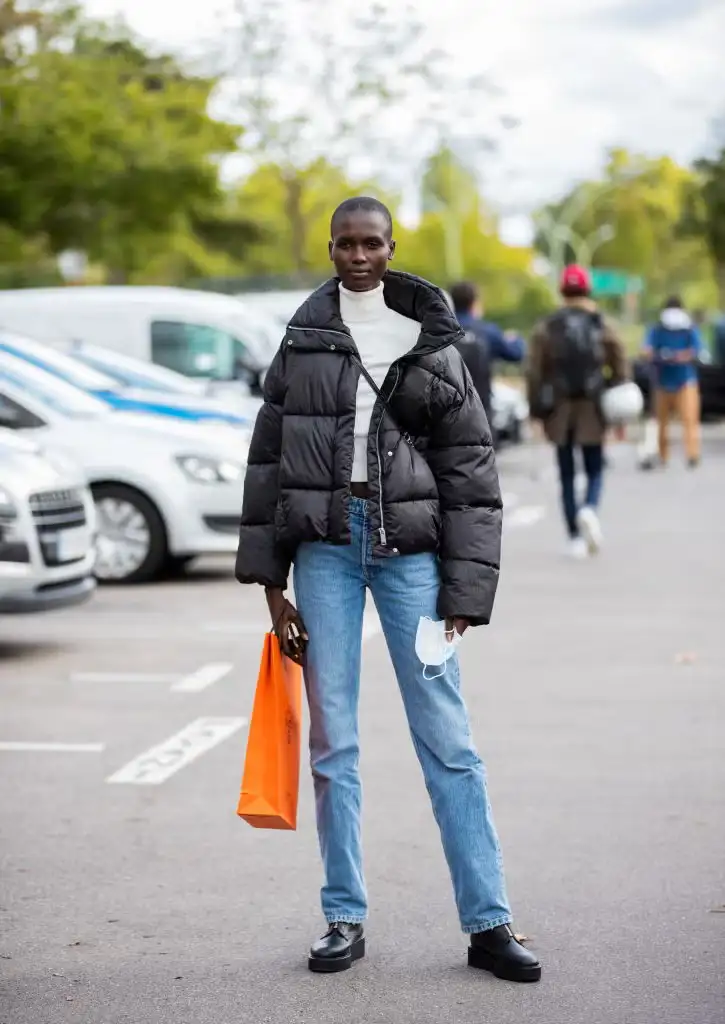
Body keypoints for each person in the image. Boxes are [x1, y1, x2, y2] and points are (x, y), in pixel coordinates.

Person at [236, 196, 541, 983]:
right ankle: (343, 916)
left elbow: (471, 470)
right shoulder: (303, 340)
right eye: (346, 244)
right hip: (325, 554)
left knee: (449, 740)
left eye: (372, 243)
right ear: (330, 248)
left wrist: (466, 591)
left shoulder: (429, 339)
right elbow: (267, 464)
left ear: (391, 246)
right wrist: (273, 588)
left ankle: (489, 922)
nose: (359, 255)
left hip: (411, 557)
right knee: (332, 743)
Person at [527, 264, 627, 558]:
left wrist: (536, 412)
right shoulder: (600, 323)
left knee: (567, 473)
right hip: (592, 407)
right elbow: (619, 358)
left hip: (559, 408)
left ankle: (574, 537)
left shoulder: (548, 326)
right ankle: (590, 508)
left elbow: (534, 370)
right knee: (595, 467)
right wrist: (618, 390)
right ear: (587, 290)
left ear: (562, 291)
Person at [449, 281, 525, 428]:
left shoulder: (435, 330)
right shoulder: (487, 332)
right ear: (474, 303)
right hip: (480, 411)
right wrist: (515, 339)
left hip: (445, 412)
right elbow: (516, 354)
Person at [643, 297, 703, 468]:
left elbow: (696, 350)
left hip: (685, 381)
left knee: (690, 419)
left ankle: (692, 454)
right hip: (662, 381)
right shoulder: (657, 329)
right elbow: (646, 349)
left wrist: (681, 356)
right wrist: (658, 356)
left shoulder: (689, 328)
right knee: (662, 422)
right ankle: (663, 455)